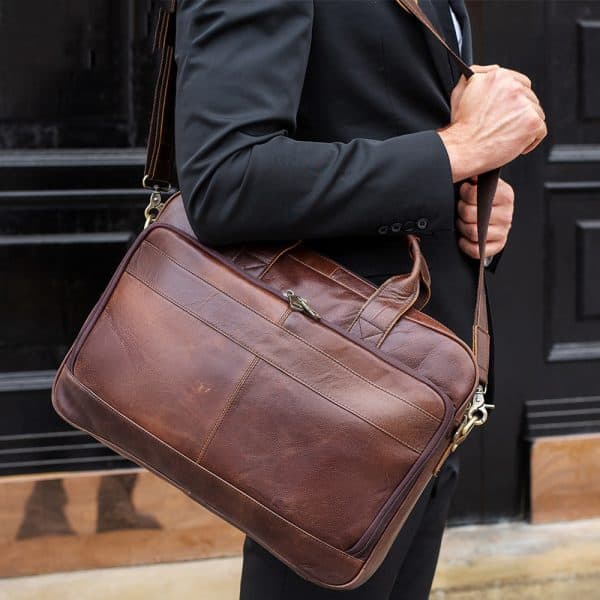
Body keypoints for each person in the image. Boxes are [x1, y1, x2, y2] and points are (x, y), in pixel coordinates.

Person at [173, 1, 547, 598]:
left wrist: (467, 202)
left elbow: (387, 122)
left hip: (429, 392)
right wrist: (453, 151)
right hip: (330, 402)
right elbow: (228, 179)